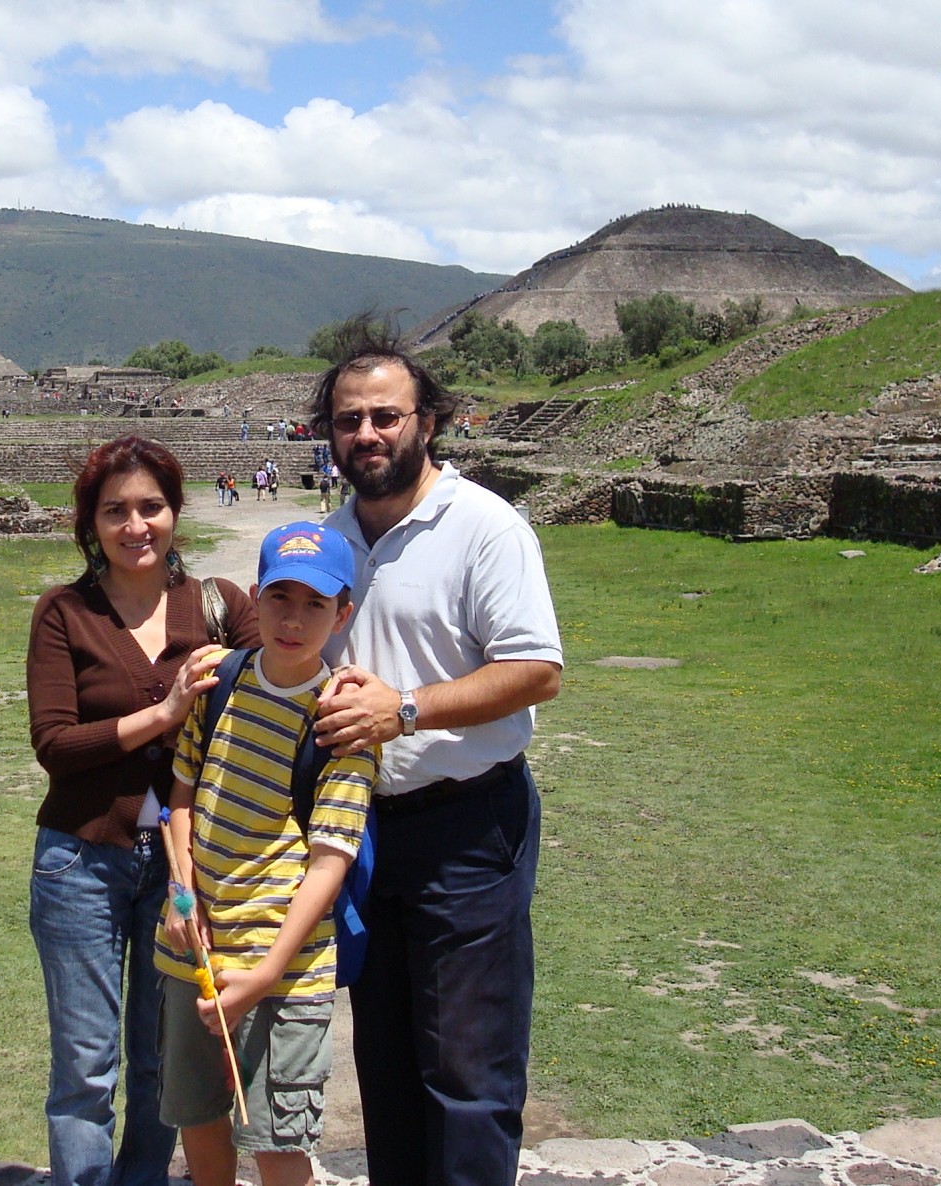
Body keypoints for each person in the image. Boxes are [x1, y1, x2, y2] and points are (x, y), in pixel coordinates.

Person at [309, 325, 563, 1186]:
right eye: (349, 421)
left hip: (466, 828)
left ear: (428, 422)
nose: (367, 435)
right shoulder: (333, 536)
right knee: (383, 1064)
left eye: (386, 415)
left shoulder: (484, 526)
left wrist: (405, 709)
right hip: (365, 834)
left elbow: (535, 670)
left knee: (467, 1069)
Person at [26, 436, 263, 1186]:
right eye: (115, 511)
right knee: (86, 1067)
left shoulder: (220, 606)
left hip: (184, 866)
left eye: (150, 507)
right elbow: (56, 744)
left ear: (175, 511)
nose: (136, 526)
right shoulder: (65, 613)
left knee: (163, 1060)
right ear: (89, 524)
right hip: (80, 860)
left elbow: (283, 688)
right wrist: (165, 713)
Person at [156, 522, 377, 1186]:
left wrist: (264, 973)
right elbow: (183, 794)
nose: (294, 619)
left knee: (280, 1143)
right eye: (280, 597)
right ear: (256, 597)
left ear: (343, 614)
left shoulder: (343, 720)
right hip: (195, 947)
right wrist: (178, 890)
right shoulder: (220, 680)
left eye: (316, 604)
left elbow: (330, 862)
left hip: (285, 967)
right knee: (198, 1119)